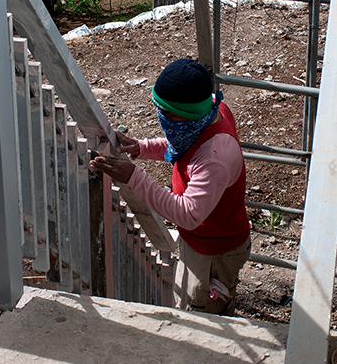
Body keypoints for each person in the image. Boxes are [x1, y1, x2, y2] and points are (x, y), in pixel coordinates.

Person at [90, 58, 251, 315]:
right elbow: (181, 144)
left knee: (203, 314)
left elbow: (188, 215)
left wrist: (135, 178)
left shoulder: (215, 158)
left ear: (187, 115)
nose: (160, 116)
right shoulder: (210, 112)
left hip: (213, 252)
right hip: (202, 242)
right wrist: (141, 147)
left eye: (166, 111)